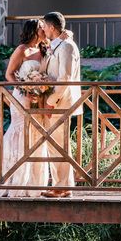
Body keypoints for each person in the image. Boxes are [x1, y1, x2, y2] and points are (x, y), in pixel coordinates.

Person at [0, 19, 49, 197]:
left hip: (40, 98)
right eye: (41, 29)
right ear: (33, 31)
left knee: (36, 135)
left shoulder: (45, 50)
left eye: (44, 28)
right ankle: (13, 180)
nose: (44, 31)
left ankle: (34, 184)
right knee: (19, 133)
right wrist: (24, 88)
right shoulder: (22, 50)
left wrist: (41, 87)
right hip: (22, 97)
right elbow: (9, 74)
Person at [40, 11, 82, 198]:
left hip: (60, 104)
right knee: (56, 145)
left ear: (51, 27)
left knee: (59, 145)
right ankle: (62, 185)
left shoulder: (66, 47)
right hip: (57, 103)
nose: (43, 30)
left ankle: (62, 187)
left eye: (44, 26)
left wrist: (50, 102)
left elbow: (65, 78)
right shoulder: (57, 45)